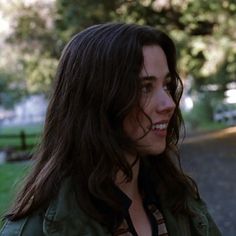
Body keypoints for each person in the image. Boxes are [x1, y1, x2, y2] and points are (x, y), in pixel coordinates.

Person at [0, 23, 221, 236]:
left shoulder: (178, 199)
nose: (169, 104)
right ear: (97, 99)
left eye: (167, 85)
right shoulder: (38, 229)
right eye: (145, 87)